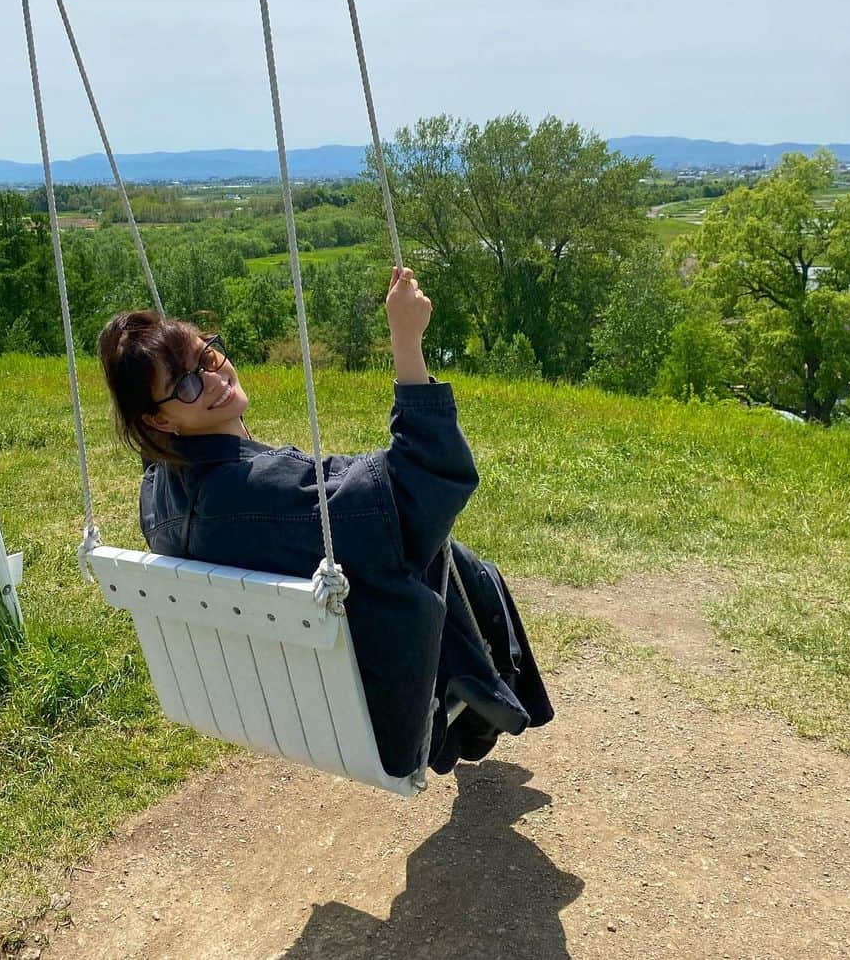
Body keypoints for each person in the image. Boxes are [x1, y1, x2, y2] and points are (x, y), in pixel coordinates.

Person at [97, 266, 553, 779]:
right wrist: (407, 342)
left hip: (280, 707)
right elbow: (426, 484)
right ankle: (486, 696)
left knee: (428, 560)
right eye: (183, 383)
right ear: (158, 421)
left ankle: (487, 698)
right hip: (379, 719)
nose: (212, 378)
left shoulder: (158, 498)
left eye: (206, 355)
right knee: (450, 558)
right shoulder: (272, 496)